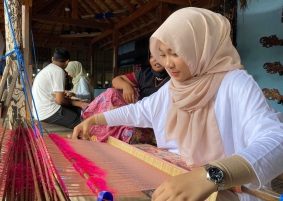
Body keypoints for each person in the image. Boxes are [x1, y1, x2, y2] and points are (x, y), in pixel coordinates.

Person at [71, 7, 283, 201]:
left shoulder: (235, 82)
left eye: (176, 53)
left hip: (225, 189)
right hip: (175, 174)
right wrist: (95, 119)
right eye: (163, 55)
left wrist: (211, 175)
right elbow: (140, 110)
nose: (167, 63)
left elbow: (276, 140)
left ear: (201, 47)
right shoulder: (174, 87)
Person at [75, 53, 170, 144]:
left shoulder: (173, 82)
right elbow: (116, 81)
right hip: (139, 113)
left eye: (160, 56)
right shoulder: (145, 74)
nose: (155, 60)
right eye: (152, 56)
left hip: (154, 124)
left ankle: (96, 136)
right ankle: (88, 129)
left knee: (128, 130)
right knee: (111, 93)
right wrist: (126, 85)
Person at [32, 48, 88, 129]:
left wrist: (79, 103)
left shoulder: (46, 70)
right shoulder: (58, 71)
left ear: (52, 58)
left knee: (79, 111)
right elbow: (60, 101)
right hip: (47, 112)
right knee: (80, 121)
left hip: (39, 111)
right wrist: (79, 103)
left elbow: (59, 99)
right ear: (67, 62)